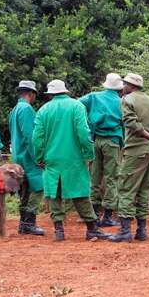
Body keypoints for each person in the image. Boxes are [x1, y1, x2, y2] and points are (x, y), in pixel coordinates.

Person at [32, 79, 110, 241]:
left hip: (52, 159)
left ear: (50, 94)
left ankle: (59, 230)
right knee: (80, 192)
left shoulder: (43, 110)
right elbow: (83, 132)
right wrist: (89, 154)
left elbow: (37, 139)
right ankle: (92, 228)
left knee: (55, 193)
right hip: (74, 158)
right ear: (65, 91)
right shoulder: (77, 107)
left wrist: (40, 157)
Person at [110, 73, 149, 243]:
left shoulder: (127, 100)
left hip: (135, 151)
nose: (122, 87)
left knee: (126, 188)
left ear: (130, 86)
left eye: (124, 84)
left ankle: (125, 231)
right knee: (144, 189)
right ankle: (141, 230)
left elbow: (132, 124)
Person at [79, 73, 124, 227]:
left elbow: (77, 105)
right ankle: (108, 216)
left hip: (95, 140)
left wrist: (87, 122)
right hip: (112, 140)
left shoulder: (93, 97)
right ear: (119, 88)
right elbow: (125, 123)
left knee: (94, 177)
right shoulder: (121, 102)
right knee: (112, 178)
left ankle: (93, 214)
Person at [8, 80, 44, 236]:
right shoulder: (27, 109)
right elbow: (30, 137)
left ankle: (23, 224)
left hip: (18, 156)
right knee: (39, 187)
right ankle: (29, 222)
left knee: (25, 190)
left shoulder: (15, 109)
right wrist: (38, 157)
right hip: (28, 157)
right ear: (31, 94)